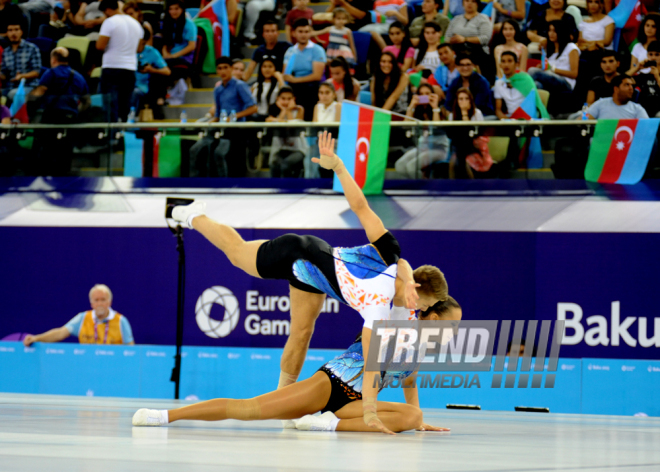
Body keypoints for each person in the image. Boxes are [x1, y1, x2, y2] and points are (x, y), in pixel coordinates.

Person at [167, 130, 448, 432]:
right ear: (417, 291)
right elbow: (361, 208)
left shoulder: (400, 279)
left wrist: (406, 278)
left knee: (301, 333)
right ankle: (190, 215)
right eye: (426, 304)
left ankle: (283, 408)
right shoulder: (386, 267)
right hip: (299, 253)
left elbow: (405, 268)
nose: (420, 311)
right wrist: (339, 168)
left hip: (315, 282)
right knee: (236, 254)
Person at [132, 297, 462, 432]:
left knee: (413, 415)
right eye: (452, 325)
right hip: (332, 384)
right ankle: (164, 416)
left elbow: (409, 383)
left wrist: (416, 422)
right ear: (432, 318)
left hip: (355, 404)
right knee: (248, 409)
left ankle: (325, 425)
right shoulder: (398, 325)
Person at [189, 57, 258, 177]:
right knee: (195, 150)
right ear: (217, 71)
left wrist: (234, 116)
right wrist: (207, 123)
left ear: (231, 69)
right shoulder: (218, 89)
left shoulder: (239, 86)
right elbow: (217, 115)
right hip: (221, 128)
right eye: (220, 68)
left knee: (220, 153)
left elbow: (253, 107)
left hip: (236, 130)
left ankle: (225, 184)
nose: (223, 71)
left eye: (226, 68)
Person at [23, 284, 135, 347]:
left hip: (113, 367)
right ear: (91, 303)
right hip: (87, 365)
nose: (100, 304)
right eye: (96, 300)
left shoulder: (121, 321)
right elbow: (60, 333)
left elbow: (131, 350)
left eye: (103, 300)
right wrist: (36, 338)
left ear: (110, 302)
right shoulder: (82, 318)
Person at [96, 0, 143, 122]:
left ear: (107, 10)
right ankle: (121, 133)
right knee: (124, 104)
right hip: (130, 68)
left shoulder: (110, 22)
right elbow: (139, 48)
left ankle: (111, 135)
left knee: (110, 104)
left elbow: (100, 46)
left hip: (112, 67)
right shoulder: (136, 24)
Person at [395, 84, 448, 179]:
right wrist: (412, 105)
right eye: (421, 94)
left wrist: (434, 107)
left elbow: (436, 126)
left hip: (438, 149)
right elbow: (405, 126)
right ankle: (412, 187)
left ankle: (422, 188)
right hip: (422, 148)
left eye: (427, 93)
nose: (424, 96)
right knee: (399, 165)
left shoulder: (441, 110)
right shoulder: (418, 111)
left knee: (412, 166)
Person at [283, 19, 327, 121]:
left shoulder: (317, 50)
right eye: (300, 32)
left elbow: (317, 76)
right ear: (294, 33)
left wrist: (295, 80)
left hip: (311, 88)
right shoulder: (290, 51)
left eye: (306, 32)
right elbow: (285, 74)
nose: (303, 35)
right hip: (294, 88)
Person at [528, 21, 580, 99]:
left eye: (554, 31)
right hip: (551, 79)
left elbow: (574, 74)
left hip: (565, 82)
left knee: (532, 71)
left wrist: (552, 69)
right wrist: (543, 68)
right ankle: (537, 110)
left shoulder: (571, 47)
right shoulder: (551, 50)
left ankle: (517, 88)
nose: (551, 33)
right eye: (550, 30)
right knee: (537, 85)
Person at [267, 86, 308, 178]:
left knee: (286, 164)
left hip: (298, 149)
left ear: (294, 99)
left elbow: (293, 126)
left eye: (289, 99)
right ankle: (274, 188)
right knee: (274, 164)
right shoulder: (273, 109)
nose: (286, 102)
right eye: (283, 99)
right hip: (280, 149)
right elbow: (271, 124)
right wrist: (283, 111)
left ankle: (288, 190)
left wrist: (288, 111)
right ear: (277, 99)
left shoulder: (299, 109)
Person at [0, 22, 41, 102]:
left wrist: (22, 76)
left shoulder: (32, 48)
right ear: (7, 33)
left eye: (16, 29)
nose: (13, 33)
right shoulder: (6, 52)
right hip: (10, 87)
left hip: (28, 86)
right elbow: (4, 75)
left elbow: (36, 72)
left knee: (13, 94)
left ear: (21, 32)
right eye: (10, 30)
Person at [445, 0, 492, 69]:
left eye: (473, 1)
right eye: (467, 1)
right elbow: (447, 38)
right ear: (463, 3)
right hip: (457, 52)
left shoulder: (483, 18)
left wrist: (465, 39)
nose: (469, 3)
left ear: (477, 4)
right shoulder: (456, 19)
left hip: (478, 53)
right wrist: (453, 40)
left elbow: (485, 38)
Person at [132, 29, 171, 112]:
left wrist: (151, 70)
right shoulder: (126, 50)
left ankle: (130, 118)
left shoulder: (152, 52)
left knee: (134, 93)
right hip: (127, 84)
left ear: (143, 41)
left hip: (142, 87)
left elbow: (167, 71)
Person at [444, 53, 494, 117]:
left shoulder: (482, 82)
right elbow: (448, 104)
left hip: (482, 115)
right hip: (460, 115)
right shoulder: (454, 82)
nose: (465, 68)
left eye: (468, 65)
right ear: (457, 67)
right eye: (462, 65)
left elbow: (479, 105)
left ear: (473, 66)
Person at [161, 0, 196, 88]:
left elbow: (192, 46)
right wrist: (165, 54)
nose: (173, 12)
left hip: (184, 58)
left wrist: (174, 56)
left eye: (176, 9)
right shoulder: (168, 23)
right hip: (169, 57)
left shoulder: (189, 24)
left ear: (182, 9)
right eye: (171, 9)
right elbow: (165, 43)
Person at [584, 75, 649, 119]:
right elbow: (583, 120)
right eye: (627, 85)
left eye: (632, 85)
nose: (631, 88)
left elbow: (648, 128)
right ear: (616, 89)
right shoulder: (600, 104)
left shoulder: (637, 109)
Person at [629, 41, 660, 117]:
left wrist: (657, 77)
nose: (653, 57)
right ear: (647, 55)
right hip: (643, 111)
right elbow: (620, 79)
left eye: (657, 54)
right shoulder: (643, 76)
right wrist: (637, 68)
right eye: (650, 54)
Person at [494, 51, 527, 119]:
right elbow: (498, 110)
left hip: (527, 118)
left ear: (516, 64)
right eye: (503, 61)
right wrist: (508, 121)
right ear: (500, 65)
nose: (506, 65)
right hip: (510, 119)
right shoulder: (498, 83)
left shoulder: (525, 79)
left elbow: (533, 103)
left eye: (510, 61)